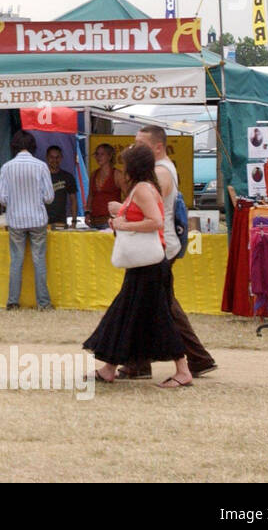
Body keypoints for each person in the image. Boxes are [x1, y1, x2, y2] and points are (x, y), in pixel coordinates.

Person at [84, 143, 193, 388]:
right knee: (126, 313)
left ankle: (183, 370)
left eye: (126, 163)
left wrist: (122, 224)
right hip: (146, 265)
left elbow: (154, 221)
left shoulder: (143, 189)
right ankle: (109, 367)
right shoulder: (143, 187)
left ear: (135, 166)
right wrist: (120, 214)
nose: (123, 168)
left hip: (150, 266)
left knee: (158, 317)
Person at [117, 126, 218, 380]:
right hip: (159, 244)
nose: (135, 147)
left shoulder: (160, 173)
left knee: (159, 306)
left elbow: (151, 210)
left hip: (160, 246)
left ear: (158, 147)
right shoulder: (159, 171)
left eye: (140, 143)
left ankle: (190, 360)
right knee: (154, 303)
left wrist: (122, 211)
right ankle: (145, 363)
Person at [0, 130, 55, 311]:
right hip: (37, 219)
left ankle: (13, 302)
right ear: (33, 147)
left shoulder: (7, 167)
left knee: (16, 261)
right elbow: (49, 197)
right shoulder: (41, 166)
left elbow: (2, 197)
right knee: (39, 261)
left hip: (16, 220)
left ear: (14, 146)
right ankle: (43, 304)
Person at [87, 143, 125, 228]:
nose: (98, 157)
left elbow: (128, 196)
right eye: (97, 154)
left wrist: (122, 214)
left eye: (102, 154)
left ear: (110, 156)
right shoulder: (93, 174)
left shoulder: (117, 175)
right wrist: (87, 213)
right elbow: (90, 196)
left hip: (110, 221)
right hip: (94, 220)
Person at [45, 146, 78, 226]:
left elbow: (73, 200)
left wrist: (74, 221)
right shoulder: (41, 176)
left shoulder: (67, 177)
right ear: (47, 158)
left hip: (60, 222)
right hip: (42, 222)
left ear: (61, 158)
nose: (54, 160)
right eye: (51, 157)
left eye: (57, 157)